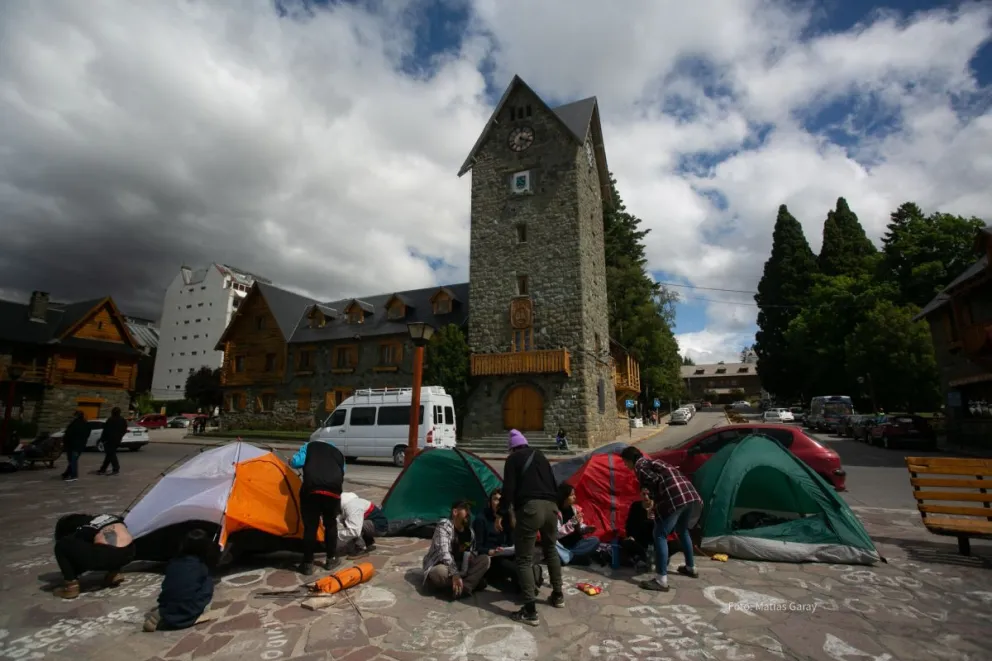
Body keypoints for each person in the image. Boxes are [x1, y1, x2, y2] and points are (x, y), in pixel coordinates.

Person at [497, 429, 564, 626]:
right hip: (551, 507)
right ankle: (558, 595)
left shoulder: (513, 460)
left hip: (531, 509)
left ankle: (530, 610)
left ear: (512, 448)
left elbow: (508, 490)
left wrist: (501, 513)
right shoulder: (541, 456)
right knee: (551, 549)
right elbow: (554, 483)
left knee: (524, 559)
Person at [620, 446, 702, 592]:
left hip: (675, 498)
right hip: (689, 495)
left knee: (659, 535)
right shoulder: (652, 462)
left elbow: (655, 480)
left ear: (630, 460)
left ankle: (661, 580)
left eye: (625, 463)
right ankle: (691, 567)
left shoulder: (640, 466)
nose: (626, 466)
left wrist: (653, 499)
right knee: (682, 531)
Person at [143, 529, 219, 632]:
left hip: (167, 606)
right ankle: (190, 615)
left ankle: (166, 613)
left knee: (180, 587)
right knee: (208, 582)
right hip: (188, 610)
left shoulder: (174, 562)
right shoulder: (200, 566)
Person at [289, 439, 346, 574]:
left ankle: (308, 564)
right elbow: (342, 471)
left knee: (310, 527)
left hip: (312, 490)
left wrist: (290, 461)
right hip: (333, 492)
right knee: (330, 524)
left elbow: (296, 462)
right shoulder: (338, 452)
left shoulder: (309, 446)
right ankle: (331, 559)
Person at [473, 488, 544, 593]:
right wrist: (491, 551)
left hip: (507, 553)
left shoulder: (506, 518)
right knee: (515, 568)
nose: (498, 503)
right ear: (489, 502)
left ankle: (526, 582)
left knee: (524, 558)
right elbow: (477, 547)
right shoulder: (481, 519)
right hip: (493, 558)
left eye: (501, 500)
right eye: (495, 499)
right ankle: (530, 581)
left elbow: (512, 541)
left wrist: (511, 518)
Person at [52, 513, 136, 599]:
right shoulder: (110, 517)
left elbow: (77, 548)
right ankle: (114, 573)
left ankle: (71, 587)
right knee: (108, 545)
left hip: (107, 555)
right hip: (129, 553)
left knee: (62, 545)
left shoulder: (86, 527)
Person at [422, 501, 490, 599]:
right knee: (439, 572)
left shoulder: (470, 532)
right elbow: (444, 553)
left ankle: (463, 588)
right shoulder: (444, 525)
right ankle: (468, 584)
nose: (469, 513)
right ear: (455, 512)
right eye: (466, 509)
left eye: (470, 511)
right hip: (443, 565)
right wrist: (455, 573)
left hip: (461, 567)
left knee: (485, 559)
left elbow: (472, 550)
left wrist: (472, 556)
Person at [555, 484, 601, 564]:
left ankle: (568, 557)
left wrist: (586, 529)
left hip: (576, 544)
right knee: (551, 543)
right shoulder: (556, 512)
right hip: (563, 545)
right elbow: (557, 534)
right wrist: (572, 522)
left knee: (595, 540)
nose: (575, 497)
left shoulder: (574, 509)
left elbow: (579, 528)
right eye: (572, 495)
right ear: (564, 497)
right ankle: (573, 557)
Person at [337, 492, 384, 557]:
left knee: (353, 525)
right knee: (349, 521)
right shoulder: (350, 502)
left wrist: (338, 534)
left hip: (379, 527)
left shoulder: (352, 507)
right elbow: (339, 518)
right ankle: (368, 542)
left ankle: (360, 549)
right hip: (377, 524)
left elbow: (355, 531)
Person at [622, 487, 656, 570]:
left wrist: (655, 520)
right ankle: (641, 558)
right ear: (640, 494)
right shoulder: (636, 506)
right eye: (644, 494)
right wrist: (630, 535)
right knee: (625, 543)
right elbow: (630, 523)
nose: (646, 497)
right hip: (639, 539)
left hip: (653, 541)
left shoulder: (657, 506)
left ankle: (647, 559)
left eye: (648, 494)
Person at [96, 407, 128, 476]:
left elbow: (106, 430)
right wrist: (120, 436)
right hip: (117, 440)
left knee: (111, 454)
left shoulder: (111, 420)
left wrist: (102, 439)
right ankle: (103, 469)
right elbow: (124, 430)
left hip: (109, 440)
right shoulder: (122, 420)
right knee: (109, 454)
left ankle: (116, 469)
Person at [61, 411, 89, 482]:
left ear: (76, 416)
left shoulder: (74, 424)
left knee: (72, 460)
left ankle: (74, 475)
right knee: (73, 460)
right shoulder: (86, 424)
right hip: (80, 445)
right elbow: (87, 434)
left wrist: (65, 442)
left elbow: (69, 434)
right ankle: (67, 473)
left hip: (73, 445)